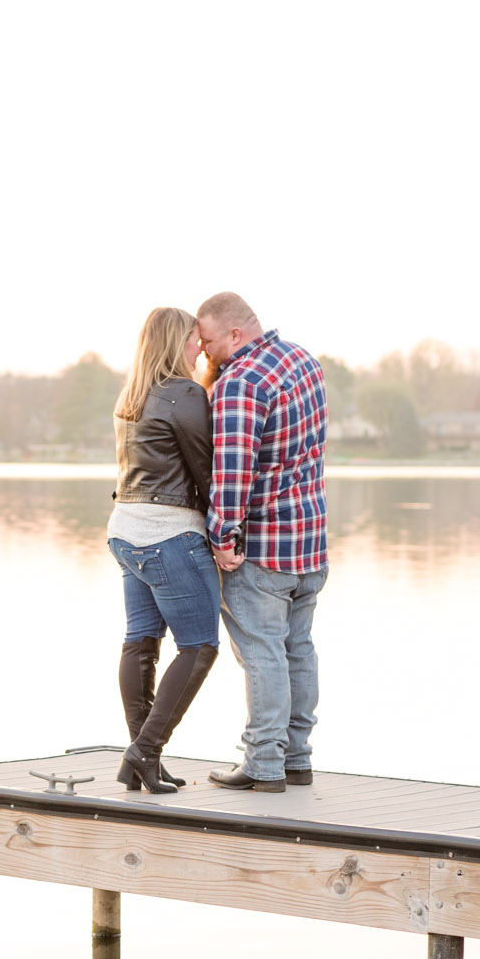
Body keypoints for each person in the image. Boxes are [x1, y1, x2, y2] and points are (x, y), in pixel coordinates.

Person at [196, 291, 329, 793]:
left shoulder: (240, 381)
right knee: (298, 649)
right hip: (309, 543)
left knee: (262, 654)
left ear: (234, 333)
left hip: (263, 547)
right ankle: (296, 758)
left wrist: (222, 537)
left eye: (208, 340)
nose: (205, 351)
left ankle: (263, 764)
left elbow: (233, 469)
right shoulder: (303, 360)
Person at [107, 307, 220, 795]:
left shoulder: (131, 396)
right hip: (168, 533)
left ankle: (141, 757)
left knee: (142, 641)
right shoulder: (185, 393)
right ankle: (146, 750)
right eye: (195, 339)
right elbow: (204, 468)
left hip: (125, 532)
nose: (200, 347)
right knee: (198, 646)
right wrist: (226, 532)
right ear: (178, 342)